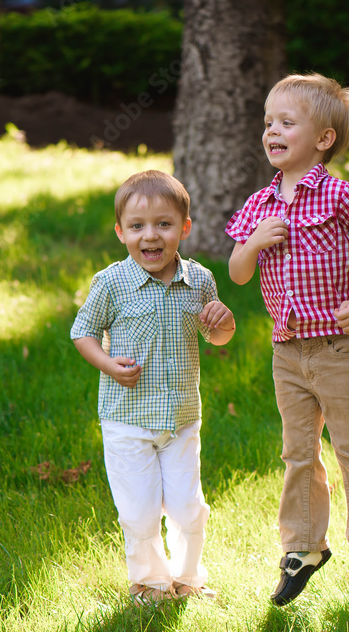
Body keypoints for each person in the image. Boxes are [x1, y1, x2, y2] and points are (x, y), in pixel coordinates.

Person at [225, 73, 349, 606]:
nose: (272, 130)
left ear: (322, 139)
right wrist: (252, 243)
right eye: (268, 122)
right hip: (287, 353)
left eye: (286, 122)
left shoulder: (339, 194)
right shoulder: (259, 204)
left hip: (339, 350)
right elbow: (237, 273)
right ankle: (303, 549)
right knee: (299, 453)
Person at [71, 169, 235, 605]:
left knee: (188, 508)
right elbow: (82, 333)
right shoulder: (111, 283)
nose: (151, 236)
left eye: (164, 224)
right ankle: (150, 584)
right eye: (138, 226)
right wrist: (107, 364)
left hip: (181, 418)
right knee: (139, 513)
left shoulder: (198, 280)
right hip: (127, 420)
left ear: (184, 228)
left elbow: (215, 335)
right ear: (121, 231)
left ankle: (188, 579)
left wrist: (225, 323)